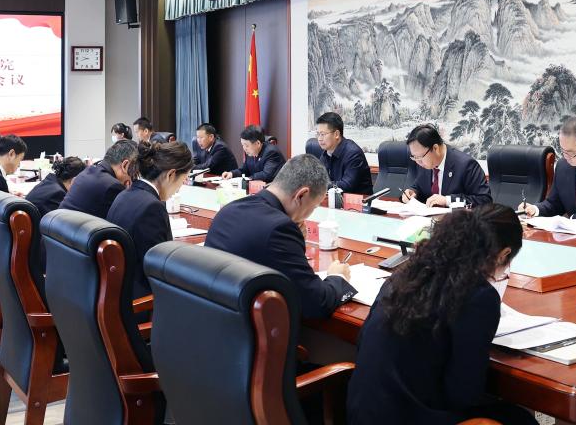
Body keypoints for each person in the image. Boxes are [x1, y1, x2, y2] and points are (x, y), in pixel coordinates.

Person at [347, 205, 536, 425]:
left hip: (361, 413)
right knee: (521, 419)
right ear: (503, 254)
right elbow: (464, 393)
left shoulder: (405, 274)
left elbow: (362, 341)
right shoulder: (479, 295)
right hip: (412, 417)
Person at [206, 154, 356, 319]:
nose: (309, 214)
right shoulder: (280, 228)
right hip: (251, 329)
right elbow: (316, 304)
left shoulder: (229, 209)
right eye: (314, 207)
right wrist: (337, 276)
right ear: (301, 195)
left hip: (215, 320)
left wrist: (295, 242)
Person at [106, 141, 194, 301]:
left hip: (118, 291)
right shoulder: (152, 207)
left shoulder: (124, 194)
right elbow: (160, 268)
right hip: (141, 300)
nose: (180, 188)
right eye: (183, 180)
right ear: (171, 175)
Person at [402, 124, 491, 208]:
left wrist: (448, 200)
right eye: (414, 157)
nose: (418, 162)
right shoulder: (424, 163)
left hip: (456, 218)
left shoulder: (466, 165)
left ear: (435, 148)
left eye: (420, 157)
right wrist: (413, 192)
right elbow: (419, 186)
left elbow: (484, 200)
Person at [58, 140, 138, 219]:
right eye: (135, 170)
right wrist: (128, 193)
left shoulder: (86, 172)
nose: (134, 177)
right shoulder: (113, 186)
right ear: (125, 165)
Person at [315, 112, 373, 195]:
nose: (319, 139)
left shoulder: (353, 153)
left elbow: (346, 186)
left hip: (358, 201)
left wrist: (318, 185)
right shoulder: (326, 154)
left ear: (336, 134)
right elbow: (318, 178)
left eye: (322, 134)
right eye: (318, 134)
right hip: (336, 200)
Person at [221, 125, 285, 182]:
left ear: (258, 143)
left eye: (246, 145)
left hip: (275, 188)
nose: (244, 148)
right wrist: (231, 174)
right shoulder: (250, 152)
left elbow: (266, 175)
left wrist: (248, 178)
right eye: (243, 145)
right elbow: (245, 170)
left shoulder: (271, 152)